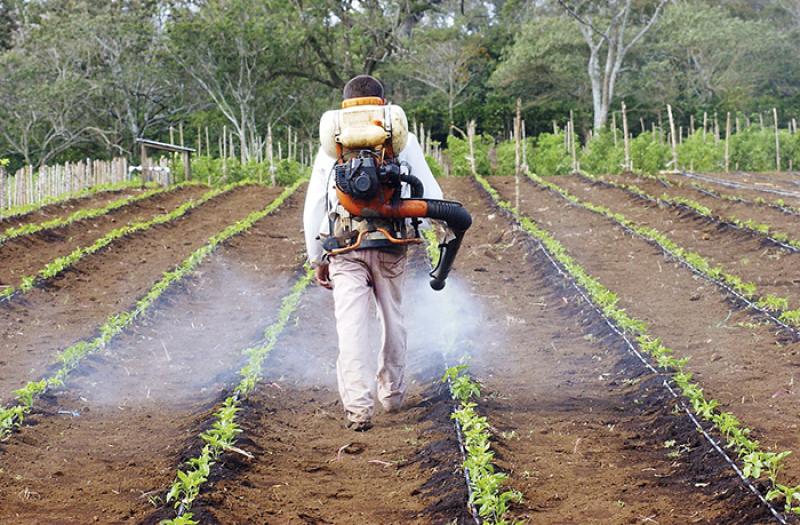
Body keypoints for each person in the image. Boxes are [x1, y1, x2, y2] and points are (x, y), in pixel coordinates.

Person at [303, 75, 442, 431]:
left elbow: (315, 205)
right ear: (383, 102)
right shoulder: (399, 140)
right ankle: (392, 394)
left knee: (351, 327)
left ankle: (358, 408)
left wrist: (316, 257)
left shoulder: (332, 146)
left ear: (344, 103)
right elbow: (430, 193)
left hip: (345, 247)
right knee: (392, 319)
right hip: (391, 243)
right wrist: (430, 234)